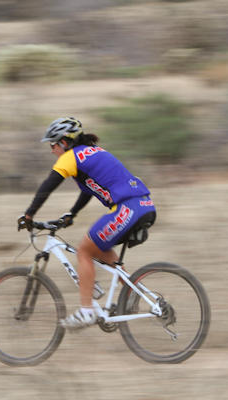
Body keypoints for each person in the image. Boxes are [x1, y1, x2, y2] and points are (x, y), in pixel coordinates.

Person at [17, 117, 156, 330]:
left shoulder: (70, 157)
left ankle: (86, 312)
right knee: (102, 250)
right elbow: (88, 190)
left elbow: (47, 186)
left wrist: (28, 215)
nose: (51, 150)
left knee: (84, 251)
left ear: (64, 142)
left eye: (52, 144)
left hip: (127, 207)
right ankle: (134, 297)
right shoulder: (92, 152)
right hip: (143, 204)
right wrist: (71, 214)